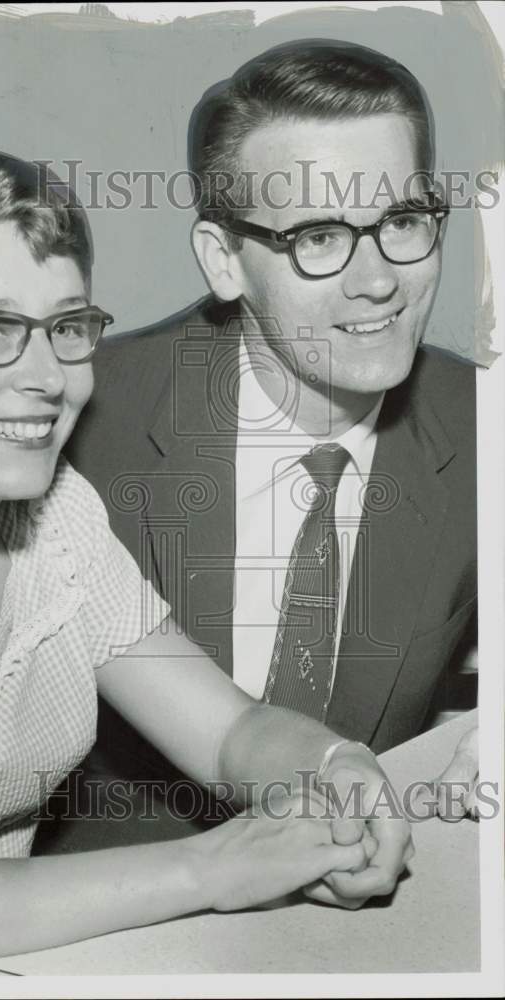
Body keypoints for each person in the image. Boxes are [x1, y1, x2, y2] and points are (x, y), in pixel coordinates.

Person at [0, 149, 411, 977]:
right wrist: (213, 868)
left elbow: (228, 733)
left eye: (67, 328)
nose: (50, 377)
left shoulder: (55, 516)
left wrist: (333, 769)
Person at [66, 41, 478, 826]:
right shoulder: (76, 423)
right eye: (317, 237)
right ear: (223, 261)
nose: (378, 279)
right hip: (108, 923)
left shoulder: (478, 425)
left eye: (401, 219)